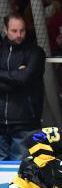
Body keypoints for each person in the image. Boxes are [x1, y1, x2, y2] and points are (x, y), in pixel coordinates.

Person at [0, 13, 45, 161]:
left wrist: (17, 78)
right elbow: (19, 79)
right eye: (14, 31)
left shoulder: (35, 52)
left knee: (22, 169)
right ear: (5, 30)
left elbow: (24, 78)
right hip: (1, 122)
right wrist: (15, 77)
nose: (19, 34)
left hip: (25, 122)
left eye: (22, 30)